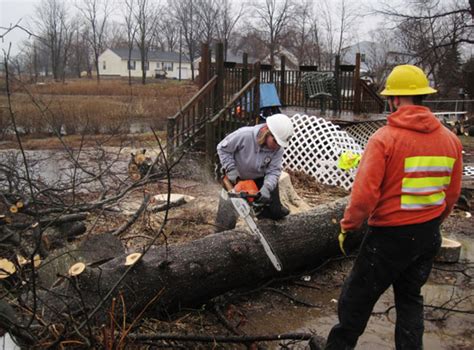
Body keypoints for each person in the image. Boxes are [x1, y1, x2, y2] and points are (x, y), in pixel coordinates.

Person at [323, 65, 463, 350]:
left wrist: (348, 226)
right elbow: (451, 196)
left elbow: (363, 198)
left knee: (355, 302)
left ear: (395, 99)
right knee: (410, 300)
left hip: (388, 238)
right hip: (427, 236)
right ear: (423, 97)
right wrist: (433, 223)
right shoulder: (451, 140)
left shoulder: (384, 138)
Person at [214, 113, 294, 232]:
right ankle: (220, 237)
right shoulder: (244, 135)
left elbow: (273, 171)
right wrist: (231, 169)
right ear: (267, 131)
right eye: (275, 141)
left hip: (260, 178)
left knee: (274, 213)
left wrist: (267, 187)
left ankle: (269, 226)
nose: (277, 146)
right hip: (236, 177)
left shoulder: (278, 149)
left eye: (279, 144)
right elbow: (222, 148)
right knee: (225, 220)